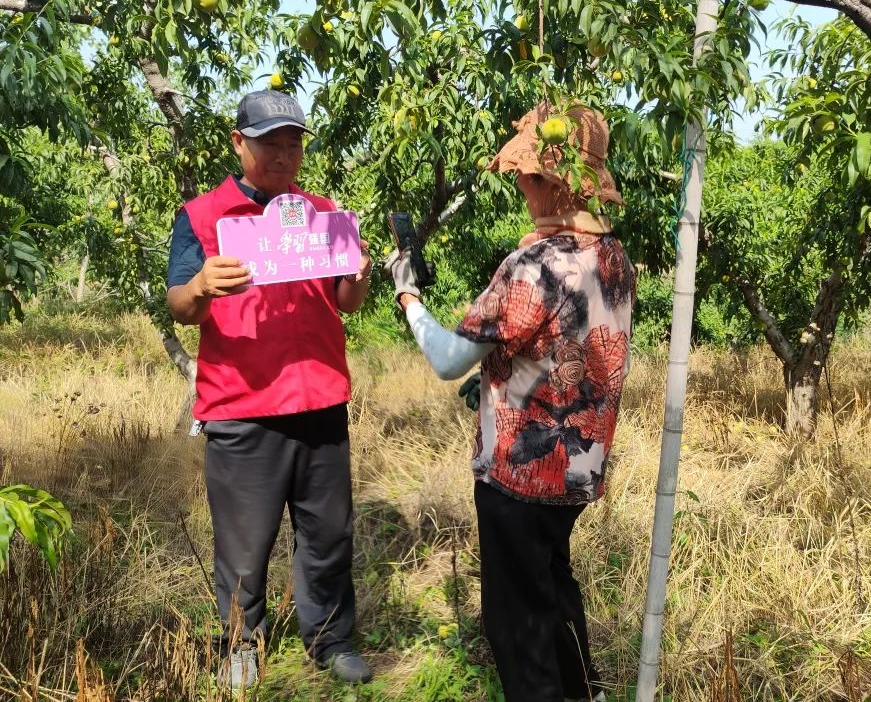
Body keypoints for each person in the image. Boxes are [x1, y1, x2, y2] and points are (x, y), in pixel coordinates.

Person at [389, 103, 635, 702]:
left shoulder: (534, 266)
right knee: (552, 588)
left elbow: (449, 359)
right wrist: (506, 382)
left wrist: (409, 298)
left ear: (547, 181)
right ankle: (587, 694)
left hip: (521, 477)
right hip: (578, 468)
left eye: (526, 174)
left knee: (517, 626)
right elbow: (563, 351)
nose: (520, 185)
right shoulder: (614, 259)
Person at [166, 90, 374, 691]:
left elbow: (344, 302)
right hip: (242, 408)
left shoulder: (321, 214)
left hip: (321, 401)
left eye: (293, 142)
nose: (284, 154)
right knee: (242, 546)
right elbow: (180, 304)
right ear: (240, 144)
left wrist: (358, 279)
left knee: (328, 535)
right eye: (269, 143)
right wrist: (204, 283)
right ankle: (239, 646)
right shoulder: (205, 217)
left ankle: (332, 638)